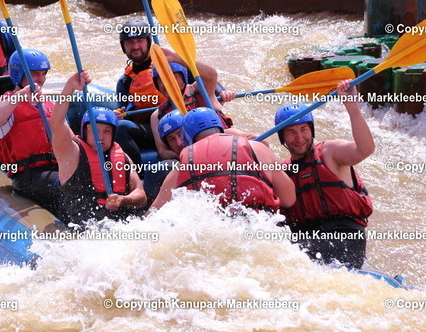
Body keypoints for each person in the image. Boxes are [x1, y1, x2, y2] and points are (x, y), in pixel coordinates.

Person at [275, 80, 375, 269]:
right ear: (282, 137)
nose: (299, 138)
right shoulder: (282, 171)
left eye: (303, 129)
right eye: (291, 132)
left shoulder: (330, 152)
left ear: (311, 130)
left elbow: (365, 149)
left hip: (344, 238)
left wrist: (352, 108)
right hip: (305, 240)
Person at [149, 107, 295, 213]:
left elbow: (153, 213)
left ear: (187, 136)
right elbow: (288, 200)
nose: (178, 142)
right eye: (171, 139)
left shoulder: (183, 166)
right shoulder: (257, 148)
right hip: (258, 227)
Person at [51, 73, 147, 226]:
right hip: (84, 231)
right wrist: (69, 87)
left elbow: (141, 195)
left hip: (121, 229)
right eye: (95, 130)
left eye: (107, 131)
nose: (100, 137)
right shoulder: (71, 153)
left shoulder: (123, 157)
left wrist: (123, 200)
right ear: (84, 131)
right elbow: (56, 123)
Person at [0, 49, 62, 216]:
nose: (41, 79)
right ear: (19, 75)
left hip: (56, 169)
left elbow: (69, 140)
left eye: (43, 74)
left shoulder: (48, 103)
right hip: (27, 177)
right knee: (68, 186)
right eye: (35, 74)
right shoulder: (9, 103)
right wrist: (20, 96)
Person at [149, 58, 257, 160]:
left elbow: (210, 75)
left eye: (173, 77)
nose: (167, 83)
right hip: (189, 156)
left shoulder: (199, 89)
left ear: (183, 78)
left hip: (219, 142)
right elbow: (163, 151)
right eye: (162, 80)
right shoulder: (157, 115)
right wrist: (185, 155)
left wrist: (177, 58)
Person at [113, 19, 167, 164]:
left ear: (148, 42)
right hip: (150, 129)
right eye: (130, 42)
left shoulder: (168, 65)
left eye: (140, 41)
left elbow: (201, 80)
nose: (135, 46)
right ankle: (135, 175)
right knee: (121, 127)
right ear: (123, 46)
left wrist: (220, 91)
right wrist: (118, 115)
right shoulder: (125, 82)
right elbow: (124, 112)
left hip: (176, 121)